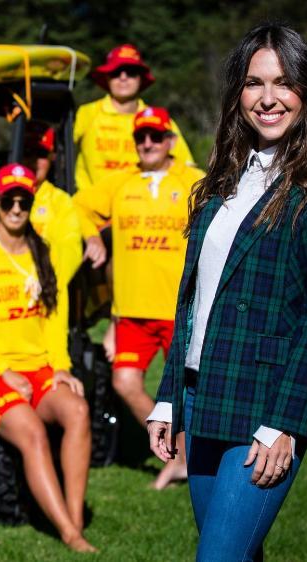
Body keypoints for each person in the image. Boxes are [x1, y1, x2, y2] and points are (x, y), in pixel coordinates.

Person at [146, 24, 307, 561]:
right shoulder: (220, 182)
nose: (268, 98)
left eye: (283, 82)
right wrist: (169, 395)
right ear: (237, 94)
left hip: (267, 403)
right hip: (203, 400)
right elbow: (194, 301)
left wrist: (285, 423)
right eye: (253, 83)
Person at [0, 164, 97, 553]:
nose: (16, 208)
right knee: (33, 433)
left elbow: (55, 319)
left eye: (24, 200)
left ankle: (74, 520)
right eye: (9, 200)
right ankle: (69, 534)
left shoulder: (43, 252)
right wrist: (3, 371)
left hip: (39, 367)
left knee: (79, 411)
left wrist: (62, 367)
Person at [73, 106, 205, 490]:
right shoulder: (120, 182)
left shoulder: (193, 181)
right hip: (129, 312)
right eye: (141, 137)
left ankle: (192, 461)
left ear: (170, 141)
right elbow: (79, 206)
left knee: (187, 392)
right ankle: (178, 456)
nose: (147, 143)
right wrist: (93, 235)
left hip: (177, 310)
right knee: (125, 384)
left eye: (155, 136)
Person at [0, 122, 107, 278]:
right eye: (27, 151)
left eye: (41, 153)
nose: (33, 159)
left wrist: (38, 278)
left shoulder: (60, 201)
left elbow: (70, 251)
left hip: (39, 286)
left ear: (53, 157)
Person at [74, 43, 195, 191]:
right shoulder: (87, 113)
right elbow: (57, 152)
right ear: (107, 78)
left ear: (140, 79)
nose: (123, 77)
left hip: (142, 209)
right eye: (115, 72)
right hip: (92, 209)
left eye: (131, 72)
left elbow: (187, 167)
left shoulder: (159, 119)